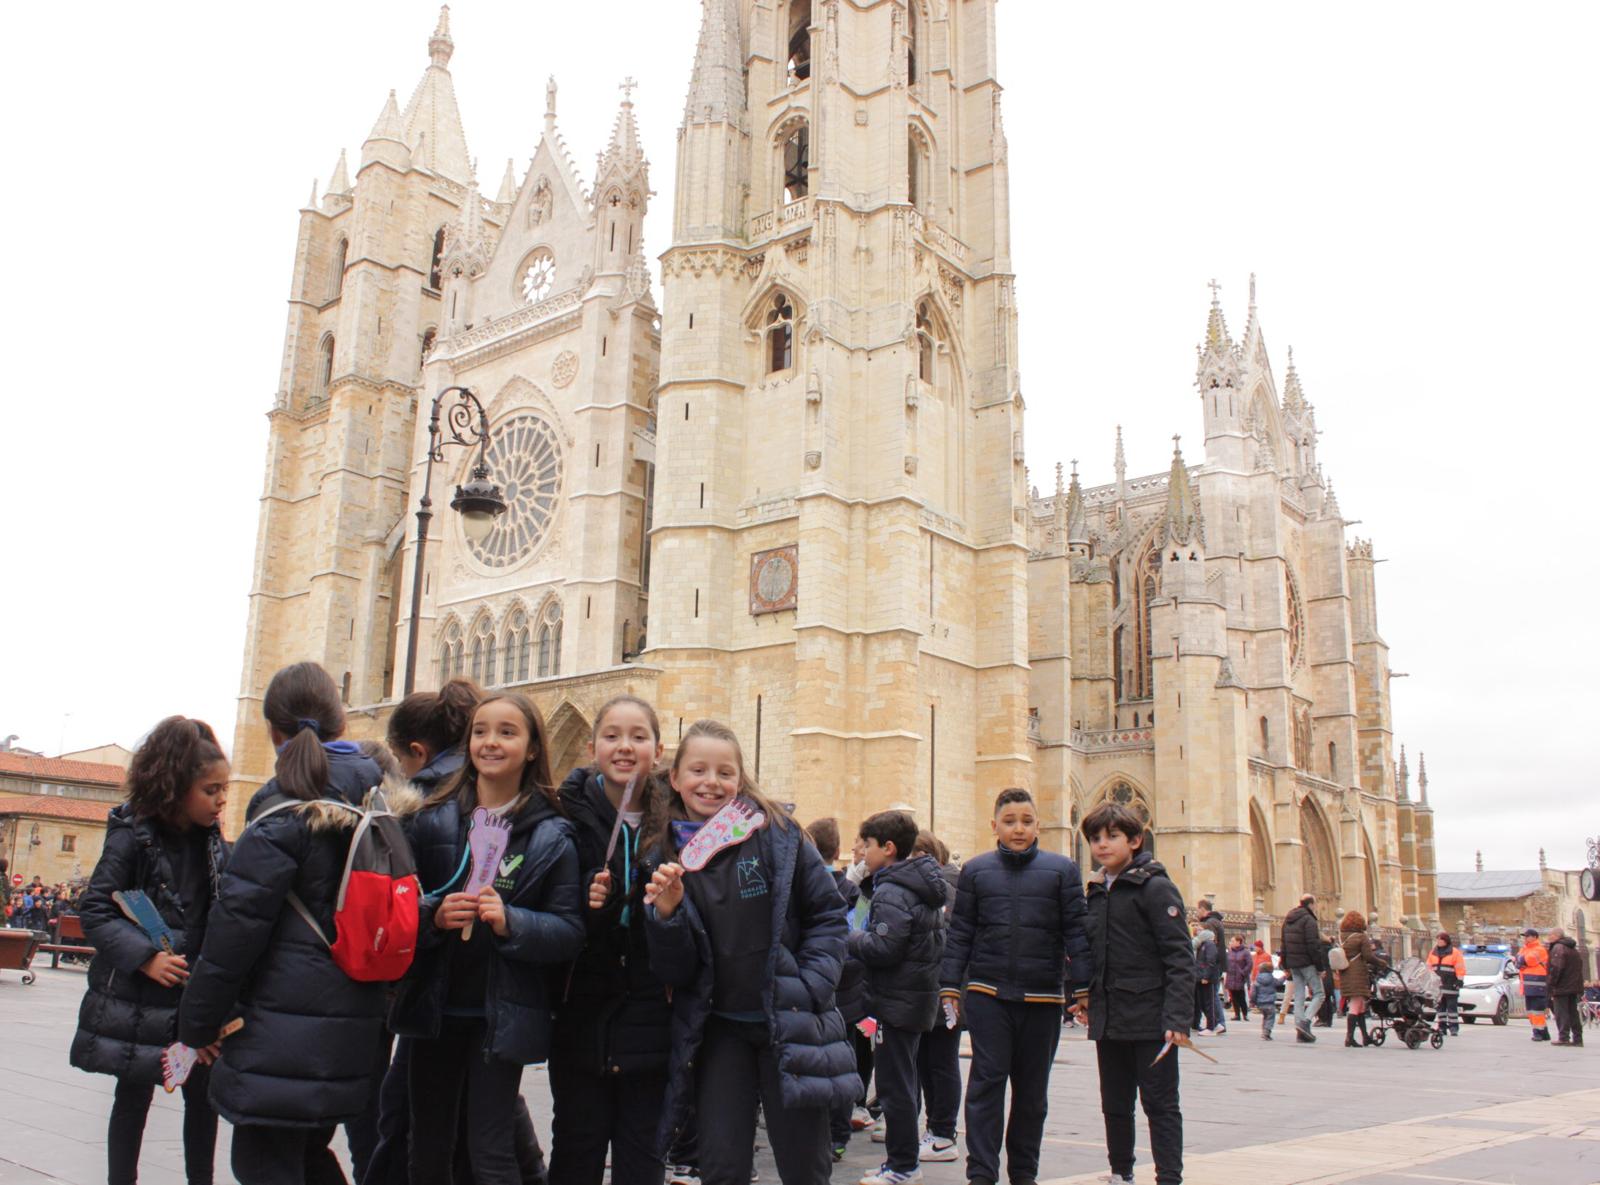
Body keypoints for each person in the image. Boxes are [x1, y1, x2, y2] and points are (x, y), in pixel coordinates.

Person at [178, 662, 391, 1185]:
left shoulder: (280, 810)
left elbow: (236, 931)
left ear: (272, 730)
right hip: (356, 1022)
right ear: (340, 722)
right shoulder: (381, 802)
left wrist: (196, 1025)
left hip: (277, 1026)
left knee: (264, 1160)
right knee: (308, 1156)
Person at [642, 719, 857, 1185]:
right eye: (697, 770)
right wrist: (668, 915)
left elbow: (828, 915)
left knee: (806, 1167)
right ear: (675, 778)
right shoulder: (661, 853)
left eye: (725, 772)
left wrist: (811, 984)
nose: (711, 782)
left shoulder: (778, 834)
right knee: (721, 1167)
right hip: (721, 1032)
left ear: (741, 779)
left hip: (790, 1022)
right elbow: (674, 968)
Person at [391, 692, 585, 1185]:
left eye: (506, 732)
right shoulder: (430, 817)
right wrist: (434, 916)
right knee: (428, 1147)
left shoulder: (552, 834)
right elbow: (395, 910)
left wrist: (511, 921)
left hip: (500, 1015)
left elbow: (568, 931)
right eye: (480, 731)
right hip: (434, 1009)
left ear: (533, 748)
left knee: (490, 1151)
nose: (490, 743)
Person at [71, 716, 231, 1185]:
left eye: (223, 789)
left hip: (196, 996)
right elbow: (96, 908)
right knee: (133, 1099)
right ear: (176, 787)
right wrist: (146, 956)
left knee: (203, 1103)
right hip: (144, 996)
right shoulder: (131, 834)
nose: (222, 799)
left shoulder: (214, 843)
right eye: (211, 789)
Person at [939, 788, 1094, 1185]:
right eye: (1010, 822)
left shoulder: (1062, 871)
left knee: (1032, 1094)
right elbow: (961, 933)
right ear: (995, 826)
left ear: (1038, 825)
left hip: (1043, 998)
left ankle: (1024, 1174)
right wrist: (949, 985)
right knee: (986, 1086)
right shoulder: (976, 871)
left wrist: (1084, 987)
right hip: (989, 995)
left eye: (1026, 821)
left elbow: (1077, 932)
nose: (1019, 829)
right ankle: (981, 1174)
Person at [550, 695, 673, 1185]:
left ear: (658, 751)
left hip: (651, 1019)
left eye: (638, 737)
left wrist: (668, 911)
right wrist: (586, 902)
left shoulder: (676, 825)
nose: (625, 747)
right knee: (577, 1149)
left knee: (642, 1157)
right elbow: (556, 918)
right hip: (583, 1015)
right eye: (613, 736)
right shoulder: (565, 818)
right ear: (591, 746)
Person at [1080, 801, 1191, 1185]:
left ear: (1135, 840)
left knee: (1160, 1104)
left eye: (1112, 836)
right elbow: (1089, 953)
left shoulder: (1155, 888)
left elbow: (1180, 957)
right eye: (1095, 838)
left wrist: (1177, 1019)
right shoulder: (1095, 891)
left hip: (1150, 1017)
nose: (1102, 845)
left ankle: (1169, 1177)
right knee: (1115, 1104)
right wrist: (1082, 996)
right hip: (1109, 1014)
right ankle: (1120, 1171)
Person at [849, 810, 949, 1185]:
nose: (862, 852)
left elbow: (884, 947)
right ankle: (902, 1162)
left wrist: (851, 938)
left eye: (868, 845)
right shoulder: (918, 884)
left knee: (895, 1086)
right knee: (903, 1081)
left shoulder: (892, 888)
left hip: (896, 1001)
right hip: (914, 997)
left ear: (888, 848)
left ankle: (903, 1165)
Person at [809, 817, 873, 1163]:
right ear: (837, 851)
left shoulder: (802, 884)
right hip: (848, 993)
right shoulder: (856, 893)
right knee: (843, 1063)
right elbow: (860, 937)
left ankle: (819, 1134)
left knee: (814, 1065)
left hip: (814, 990)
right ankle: (837, 1135)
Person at [910, 830, 961, 1167]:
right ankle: (937, 1131)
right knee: (929, 1061)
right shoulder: (940, 886)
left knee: (940, 1062)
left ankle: (943, 1134)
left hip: (943, 989)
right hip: (934, 989)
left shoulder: (945, 889)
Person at [1280, 894, 1326, 1043]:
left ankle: (1300, 1029)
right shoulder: (1309, 920)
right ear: (1311, 904)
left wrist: (1285, 964)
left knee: (1299, 994)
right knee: (1319, 993)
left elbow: (1283, 943)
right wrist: (1320, 967)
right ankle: (1305, 1022)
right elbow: (1313, 945)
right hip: (1307, 962)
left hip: (1293, 963)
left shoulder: (1289, 918)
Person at [1336, 912, 1387, 1048]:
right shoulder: (1361, 937)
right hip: (1357, 972)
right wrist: (1381, 963)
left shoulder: (1341, 936)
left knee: (1360, 1006)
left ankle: (1365, 1037)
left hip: (1345, 971)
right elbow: (1368, 956)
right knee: (1355, 1004)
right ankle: (1349, 1038)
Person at [1546, 927, 1584, 1047]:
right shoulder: (1573, 948)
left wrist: (1551, 984)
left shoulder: (1558, 948)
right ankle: (1578, 1038)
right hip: (1573, 986)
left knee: (1561, 1012)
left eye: (1550, 935)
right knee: (1573, 1012)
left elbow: (1556, 968)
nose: (1548, 938)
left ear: (1557, 935)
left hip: (1562, 986)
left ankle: (1564, 1037)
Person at [1194, 900, 1227, 1034]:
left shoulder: (1210, 924)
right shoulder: (1216, 921)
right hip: (1216, 965)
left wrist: (1207, 973)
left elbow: (1210, 949)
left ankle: (1216, 1024)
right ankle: (1217, 1023)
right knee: (1210, 997)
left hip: (1210, 967)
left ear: (1202, 909)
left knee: (1210, 997)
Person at [1427, 933, 1466, 1037]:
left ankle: (1454, 1028)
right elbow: (1429, 967)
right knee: (1440, 1009)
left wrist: (1460, 980)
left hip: (1451, 984)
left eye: (1441, 940)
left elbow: (1460, 967)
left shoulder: (1455, 952)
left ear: (1446, 941)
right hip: (1438, 985)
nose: (1439, 942)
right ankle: (1442, 1027)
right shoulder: (1433, 952)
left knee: (1452, 1009)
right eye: (1438, 940)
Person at [1516, 928, 1551, 1042]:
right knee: (1531, 1010)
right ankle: (1543, 1032)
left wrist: (1522, 961)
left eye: (1527, 936)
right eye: (1524, 936)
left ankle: (1538, 1033)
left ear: (1535, 937)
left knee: (1537, 1010)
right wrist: (1521, 961)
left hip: (1537, 983)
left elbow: (1527, 960)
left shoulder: (1539, 949)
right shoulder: (1524, 949)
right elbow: (1518, 962)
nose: (1525, 938)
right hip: (1527, 984)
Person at [1190, 926, 1220, 1034]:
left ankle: (1211, 1027)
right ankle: (1215, 1024)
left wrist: (1206, 977)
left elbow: (1210, 962)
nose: (1198, 933)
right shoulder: (1202, 945)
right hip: (1200, 977)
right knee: (1202, 1003)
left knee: (1208, 1003)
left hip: (1206, 978)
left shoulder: (1209, 945)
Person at [1224, 936, 1251, 1023]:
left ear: (1238, 942)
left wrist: (1243, 972)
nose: (1231, 942)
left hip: (1240, 977)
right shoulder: (1230, 952)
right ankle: (1237, 1014)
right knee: (1233, 996)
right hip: (1231, 976)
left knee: (1241, 996)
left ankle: (1245, 1014)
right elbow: (1226, 963)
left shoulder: (1245, 952)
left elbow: (1249, 964)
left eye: (1232, 941)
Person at [1254, 960, 1279, 1041]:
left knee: (1265, 1017)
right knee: (1270, 1018)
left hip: (1260, 1003)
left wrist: (1253, 1001)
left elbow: (1253, 992)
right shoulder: (1272, 979)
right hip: (1270, 1003)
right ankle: (1266, 1032)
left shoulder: (1257, 979)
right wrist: (1285, 976)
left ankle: (1263, 1031)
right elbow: (1279, 983)